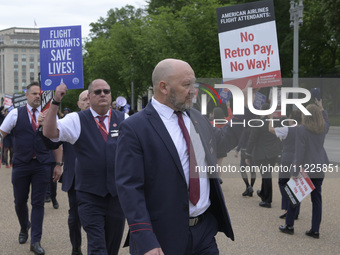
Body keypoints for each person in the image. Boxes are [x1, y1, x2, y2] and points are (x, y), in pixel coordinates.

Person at [115, 58, 252, 255]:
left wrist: (242, 107)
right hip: (162, 236)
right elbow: (129, 187)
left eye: (194, 84)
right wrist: (146, 240)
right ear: (164, 87)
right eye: (187, 85)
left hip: (204, 232)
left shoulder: (196, 118)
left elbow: (222, 142)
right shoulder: (135, 128)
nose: (193, 90)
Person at [42, 79, 126, 254]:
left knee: (112, 248)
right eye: (97, 92)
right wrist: (55, 102)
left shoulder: (124, 119)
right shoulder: (77, 119)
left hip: (117, 197)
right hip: (89, 196)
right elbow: (50, 133)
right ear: (89, 97)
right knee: (97, 247)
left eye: (106, 91)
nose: (102, 94)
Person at [0, 81, 63, 255]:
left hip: (42, 164)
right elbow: (2, 133)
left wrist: (58, 164)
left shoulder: (50, 115)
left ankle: (36, 241)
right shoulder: (15, 114)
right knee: (19, 201)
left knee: (38, 203)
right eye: (34, 93)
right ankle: (23, 227)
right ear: (27, 96)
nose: (37, 96)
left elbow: (57, 143)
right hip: (21, 164)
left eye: (39, 94)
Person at [39, 90, 90, 255]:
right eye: (84, 99)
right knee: (75, 216)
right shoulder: (71, 121)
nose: (88, 101)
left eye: (90, 97)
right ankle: (76, 248)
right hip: (76, 178)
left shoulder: (108, 122)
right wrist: (43, 127)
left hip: (101, 179)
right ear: (79, 104)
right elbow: (53, 141)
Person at [279, 99, 329, 238]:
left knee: (294, 196)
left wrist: (294, 171)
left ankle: (289, 225)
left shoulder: (302, 129)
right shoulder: (323, 128)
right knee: (317, 200)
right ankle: (315, 230)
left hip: (305, 168)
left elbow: (299, 152)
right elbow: (327, 121)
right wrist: (322, 108)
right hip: (318, 167)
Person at [245, 103, 281, 208]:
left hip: (261, 154)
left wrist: (247, 154)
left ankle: (267, 200)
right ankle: (263, 193)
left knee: (266, 176)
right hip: (273, 153)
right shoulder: (276, 122)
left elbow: (252, 139)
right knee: (267, 175)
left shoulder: (258, 123)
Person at [269, 110, 302, 219]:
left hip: (287, 158)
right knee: (296, 184)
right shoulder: (304, 130)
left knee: (283, 182)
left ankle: (287, 207)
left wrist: (270, 118)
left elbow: (271, 130)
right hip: (300, 159)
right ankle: (295, 210)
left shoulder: (287, 129)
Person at [235, 126, 255, 197]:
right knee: (252, 171)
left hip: (244, 150)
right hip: (253, 151)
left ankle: (248, 186)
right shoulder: (256, 126)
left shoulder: (246, 128)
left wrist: (237, 150)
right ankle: (251, 187)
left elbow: (242, 139)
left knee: (242, 169)